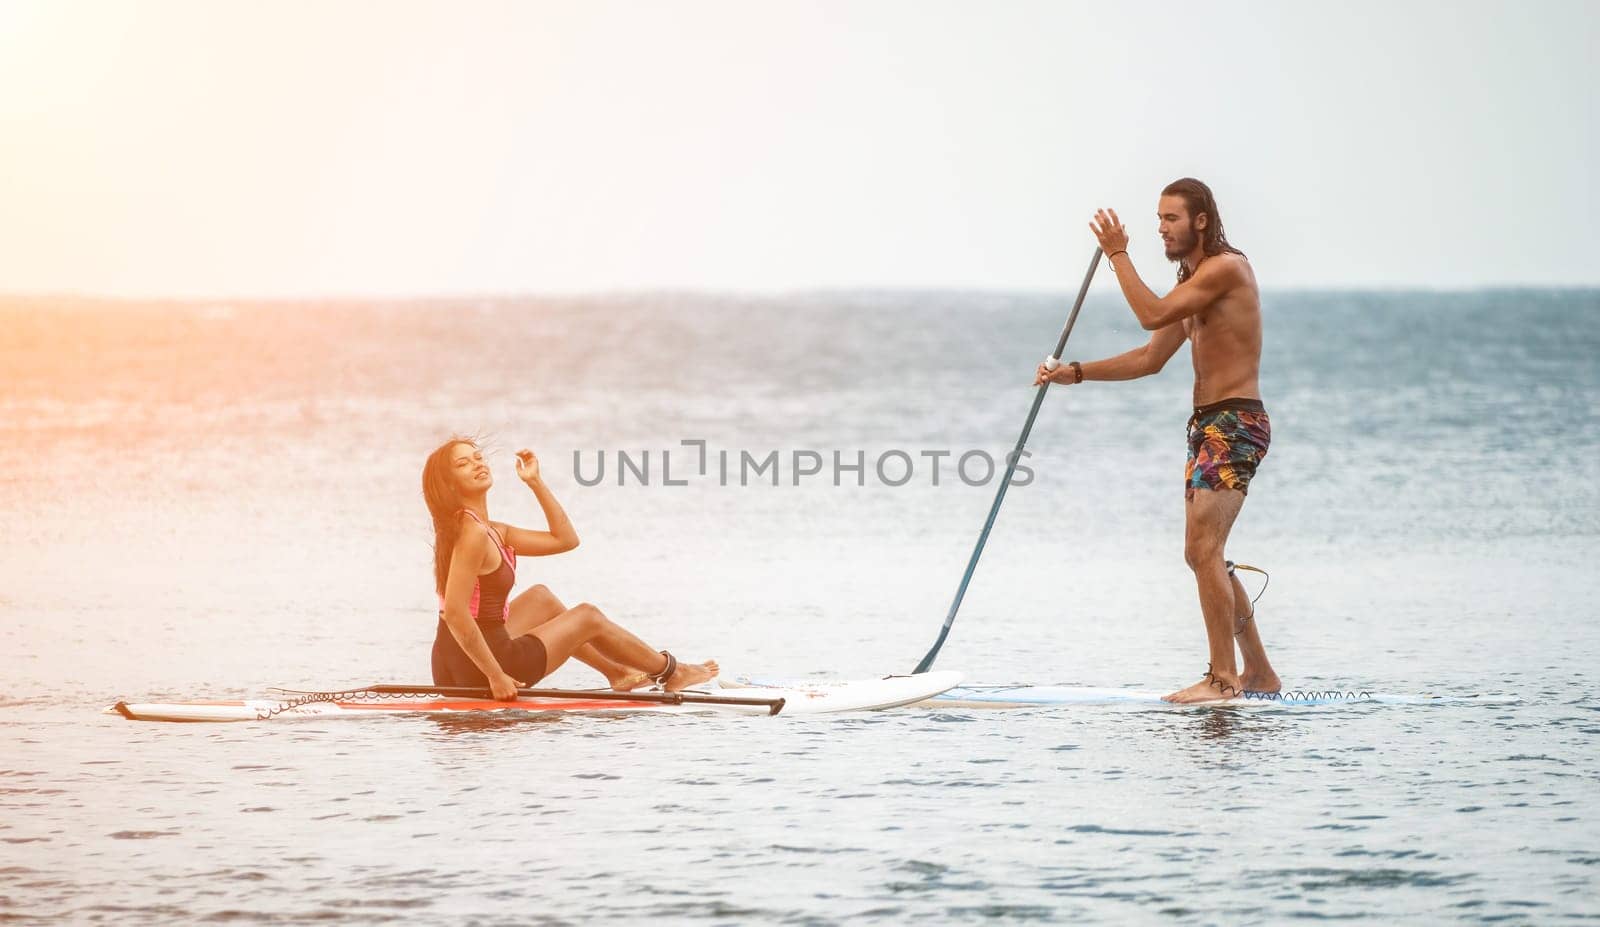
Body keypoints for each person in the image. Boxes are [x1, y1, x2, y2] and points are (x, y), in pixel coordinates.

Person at [1034, 178, 1281, 703]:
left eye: (1171, 219)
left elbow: (1147, 312)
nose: (1162, 230)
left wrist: (1117, 255)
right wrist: (1074, 373)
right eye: (1158, 220)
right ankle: (1258, 674)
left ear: (1201, 221)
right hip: (1207, 427)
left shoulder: (1225, 270)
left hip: (1234, 423)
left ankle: (1223, 680)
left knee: (1203, 550)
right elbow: (1148, 358)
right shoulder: (1193, 284)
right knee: (1204, 554)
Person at [422, 437, 717, 700]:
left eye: (478, 457)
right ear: (449, 483)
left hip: (454, 662)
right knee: (587, 616)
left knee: (541, 597)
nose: (477, 464)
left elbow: (565, 540)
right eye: (463, 463)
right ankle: (671, 672)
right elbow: (455, 613)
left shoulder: (488, 530)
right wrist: (495, 676)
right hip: (484, 666)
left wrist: (535, 482)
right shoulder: (471, 532)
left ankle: (617, 672)